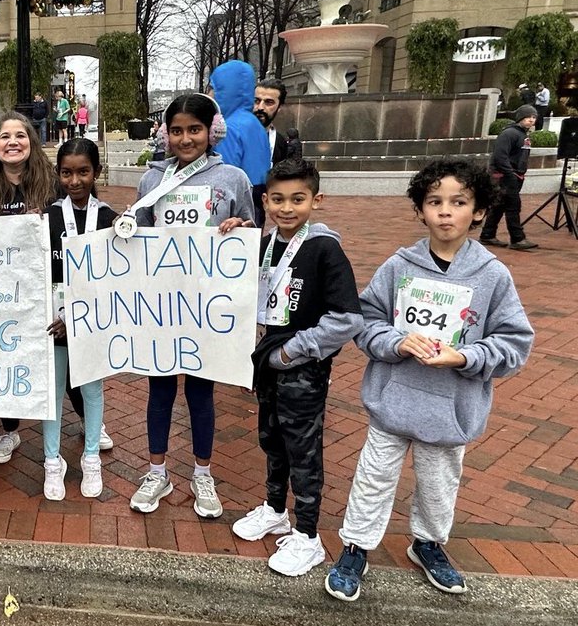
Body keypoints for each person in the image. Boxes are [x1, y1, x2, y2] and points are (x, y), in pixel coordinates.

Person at [325, 159, 534, 602]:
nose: (445, 211)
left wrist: (466, 356)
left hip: (450, 408)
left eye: (458, 202)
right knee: (374, 477)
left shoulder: (493, 274)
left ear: (477, 211)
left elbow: (515, 342)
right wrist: (396, 343)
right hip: (392, 401)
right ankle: (357, 546)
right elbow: (365, 319)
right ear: (420, 210)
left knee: (439, 482)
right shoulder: (400, 265)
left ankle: (428, 544)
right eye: (434, 202)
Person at [228, 159, 363, 577]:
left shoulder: (325, 249)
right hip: (268, 362)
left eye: (298, 199)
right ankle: (274, 509)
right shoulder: (267, 243)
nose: (287, 208)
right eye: (279, 199)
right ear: (265, 200)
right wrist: (233, 240)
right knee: (272, 439)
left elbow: (347, 318)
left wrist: (294, 352)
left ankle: (308, 536)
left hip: (301, 367)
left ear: (316, 200)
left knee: (303, 451)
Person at [127, 92, 254, 517]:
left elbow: (252, 236)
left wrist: (241, 227)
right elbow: (138, 241)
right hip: (162, 304)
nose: (186, 138)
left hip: (208, 306)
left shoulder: (233, 179)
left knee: (201, 393)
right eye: (177, 130)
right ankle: (157, 472)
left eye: (194, 130)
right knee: (159, 390)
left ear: (210, 131)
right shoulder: (151, 181)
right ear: (166, 134)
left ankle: (203, 473)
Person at [0, 112, 65, 465]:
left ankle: (90, 421)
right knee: (6, 361)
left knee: (62, 354)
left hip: (47, 288)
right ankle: (10, 430)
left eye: (20, 135)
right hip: (0, 294)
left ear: (31, 142)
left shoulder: (54, 185)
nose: (13, 142)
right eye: (4, 136)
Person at [43, 138, 115, 501]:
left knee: (91, 389)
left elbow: (116, 276)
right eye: (67, 173)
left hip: (93, 322)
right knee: (52, 392)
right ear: (58, 174)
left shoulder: (109, 220)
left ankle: (90, 458)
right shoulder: (47, 218)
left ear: (95, 173)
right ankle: (52, 461)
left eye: (83, 172)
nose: (75, 180)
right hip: (52, 322)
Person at [209, 61, 271, 225]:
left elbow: (224, 173)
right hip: (257, 196)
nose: (210, 94)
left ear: (224, 91)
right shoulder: (254, 123)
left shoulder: (228, 127)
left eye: (213, 88)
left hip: (237, 203)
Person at [479, 105, 538, 251]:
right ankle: (517, 238)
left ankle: (487, 235)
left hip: (515, 175)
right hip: (504, 176)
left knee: (499, 205)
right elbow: (500, 156)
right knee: (513, 206)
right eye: (528, 117)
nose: (531, 120)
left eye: (534, 117)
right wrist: (510, 174)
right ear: (520, 118)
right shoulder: (509, 134)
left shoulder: (523, 135)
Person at [252, 78, 291, 223]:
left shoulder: (280, 143)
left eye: (268, 102)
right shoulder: (231, 134)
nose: (260, 107)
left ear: (279, 107)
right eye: (256, 101)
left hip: (257, 212)